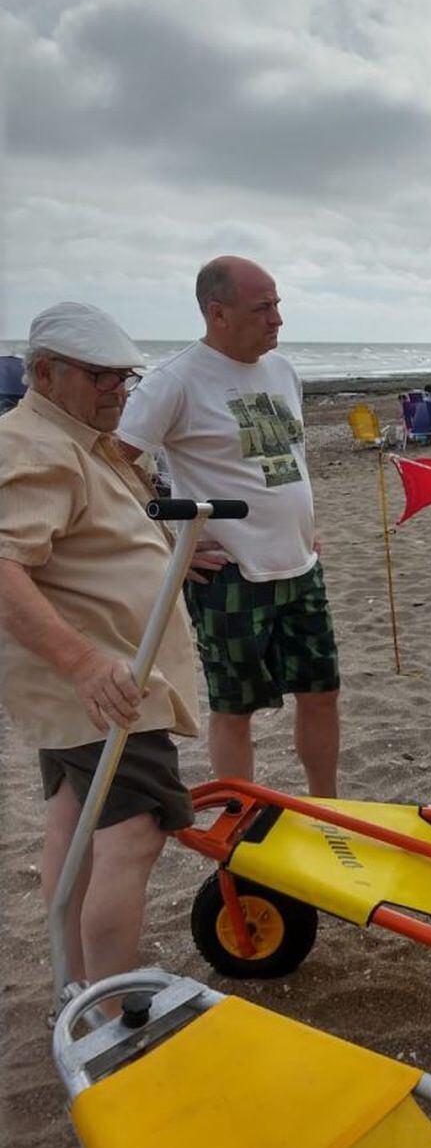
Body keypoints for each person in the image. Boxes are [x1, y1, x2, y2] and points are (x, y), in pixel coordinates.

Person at [0, 303, 199, 994]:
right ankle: (108, 1009)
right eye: (101, 377)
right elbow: (4, 568)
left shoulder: (76, 437)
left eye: (126, 377)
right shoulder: (37, 446)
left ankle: (77, 985)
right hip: (106, 682)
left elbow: (97, 539)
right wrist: (84, 664)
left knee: (74, 826)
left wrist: (175, 553)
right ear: (46, 373)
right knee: (135, 834)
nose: (120, 391)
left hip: (98, 679)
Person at [118, 256, 340, 797]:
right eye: (263, 308)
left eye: (277, 304)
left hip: (300, 562)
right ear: (217, 313)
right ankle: (242, 815)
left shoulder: (284, 372)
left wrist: (304, 522)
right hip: (230, 572)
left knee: (321, 693)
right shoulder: (175, 381)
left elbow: (288, 459)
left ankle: (328, 805)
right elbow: (112, 462)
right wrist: (170, 543)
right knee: (235, 708)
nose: (277, 319)